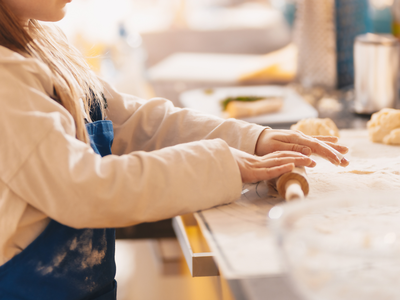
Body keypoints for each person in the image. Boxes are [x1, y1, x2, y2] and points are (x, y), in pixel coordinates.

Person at [0, 0, 349, 299]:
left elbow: (130, 121)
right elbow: (84, 191)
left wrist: (250, 139)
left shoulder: (38, 38)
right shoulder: (6, 77)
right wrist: (220, 164)